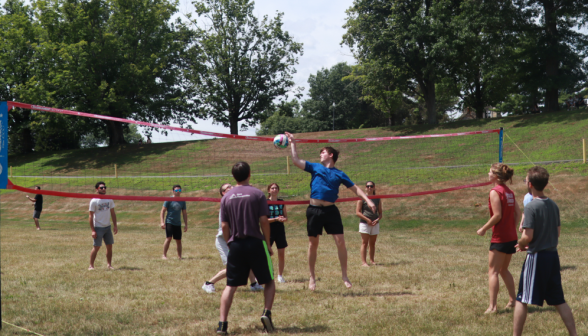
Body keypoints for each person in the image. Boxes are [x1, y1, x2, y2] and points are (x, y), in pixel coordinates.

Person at [284, 132, 376, 290]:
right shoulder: (315, 167)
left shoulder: (340, 174)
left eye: (323, 152)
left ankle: (345, 275)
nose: (320, 154)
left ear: (331, 155)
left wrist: (368, 200)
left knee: (341, 242)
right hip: (314, 210)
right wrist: (293, 143)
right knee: (313, 244)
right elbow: (296, 161)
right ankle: (312, 277)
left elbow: (355, 189)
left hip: (331, 211)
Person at [513, 167, 577, 336]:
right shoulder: (553, 205)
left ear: (530, 184)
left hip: (537, 258)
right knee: (559, 300)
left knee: (522, 299)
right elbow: (557, 232)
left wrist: (520, 244)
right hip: (552, 257)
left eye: (526, 180)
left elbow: (527, 236)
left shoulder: (531, 207)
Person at [216, 162, 275, 335]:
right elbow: (264, 221)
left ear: (233, 177)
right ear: (250, 173)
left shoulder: (226, 197)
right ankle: (267, 314)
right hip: (256, 242)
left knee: (230, 285)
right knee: (269, 281)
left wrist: (229, 243)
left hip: (236, 244)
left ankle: (222, 325)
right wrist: (268, 243)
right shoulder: (257, 193)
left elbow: (225, 225)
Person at [202, 183, 264, 293]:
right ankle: (208, 283)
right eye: (228, 188)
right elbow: (225, 226)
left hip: (234, 239)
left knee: (247, 262)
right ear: (223, 193)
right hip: (224, 240)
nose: (231, 188)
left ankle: (254, 284)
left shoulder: (234, 201)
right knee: (233, 267)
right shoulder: (226, 203)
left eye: (231, 186)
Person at [476, 163, 521, 314]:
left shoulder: (495, 191)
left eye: (490, 172)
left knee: (493, 271)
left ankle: (492, 307)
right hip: (511, 237)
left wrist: (483, 228)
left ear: (496, 176)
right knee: (503, 269)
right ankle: (513, 300)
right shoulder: (509, 191)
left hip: (500, 238)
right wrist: (513, 229)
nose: (488, 173)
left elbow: (497, 215)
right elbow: (518, 213)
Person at [89, 182, 118, 270]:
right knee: (97, 247)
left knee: (109, 246)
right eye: (101, 188)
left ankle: (109, 265)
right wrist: (93, 230)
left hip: (107, 227)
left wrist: (115, 225)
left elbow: (113, 213)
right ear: (97, 189)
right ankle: (91, 265)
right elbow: (90, 215)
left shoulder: (109, 199)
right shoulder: (94, 201)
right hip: (98, 227)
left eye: (105, 187)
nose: (104, 189)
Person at [355, 181, 382, 266]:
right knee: (364, 242)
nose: (369, 188)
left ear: (374, 187)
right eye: (368, 186)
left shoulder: (377, 198)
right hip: (365, 223)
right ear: (365, 187)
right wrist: (367, 220)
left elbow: (380, 213)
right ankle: (364, 262)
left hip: (375, 223)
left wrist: (377, 220)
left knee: (372, 243)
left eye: (371, 186)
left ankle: (372, 261)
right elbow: (358, 212)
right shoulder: (361, 198)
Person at [267, 183, 288, 283]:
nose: (274, 190)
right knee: (266, 254)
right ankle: (265, 274)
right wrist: (275, 219)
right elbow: (263, 219)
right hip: (268, 230)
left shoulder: (281, 202)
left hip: (280, 229)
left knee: (281, 253)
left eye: (276, 188)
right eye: (272, 188)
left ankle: (280, 275)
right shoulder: (265, 202)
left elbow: (286, 217)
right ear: (269, 191)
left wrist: (283, 219)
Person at [160, 185, 188, 260]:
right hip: (169, 222)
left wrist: (186, 224)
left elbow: (184, 213)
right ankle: (164, 255)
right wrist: (162, 222)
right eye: (176, 190)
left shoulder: (182, 201)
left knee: (178, 240)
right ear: (173, 191)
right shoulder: (169, 200)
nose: (178, 192)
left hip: (178, 223)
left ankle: (179, 257)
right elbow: (163, 211)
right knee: (169, 238)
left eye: (179, 190)